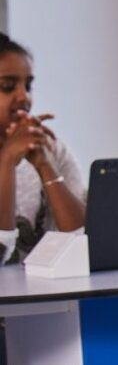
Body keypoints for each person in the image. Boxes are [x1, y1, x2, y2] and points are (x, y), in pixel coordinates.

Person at [0, 34, 86, 265]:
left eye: (28, 85)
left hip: (47, 297)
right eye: (7, 87)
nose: (24, 96)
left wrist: (44, 165)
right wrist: (7, 161)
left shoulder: (53, 149)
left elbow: (82, 241)